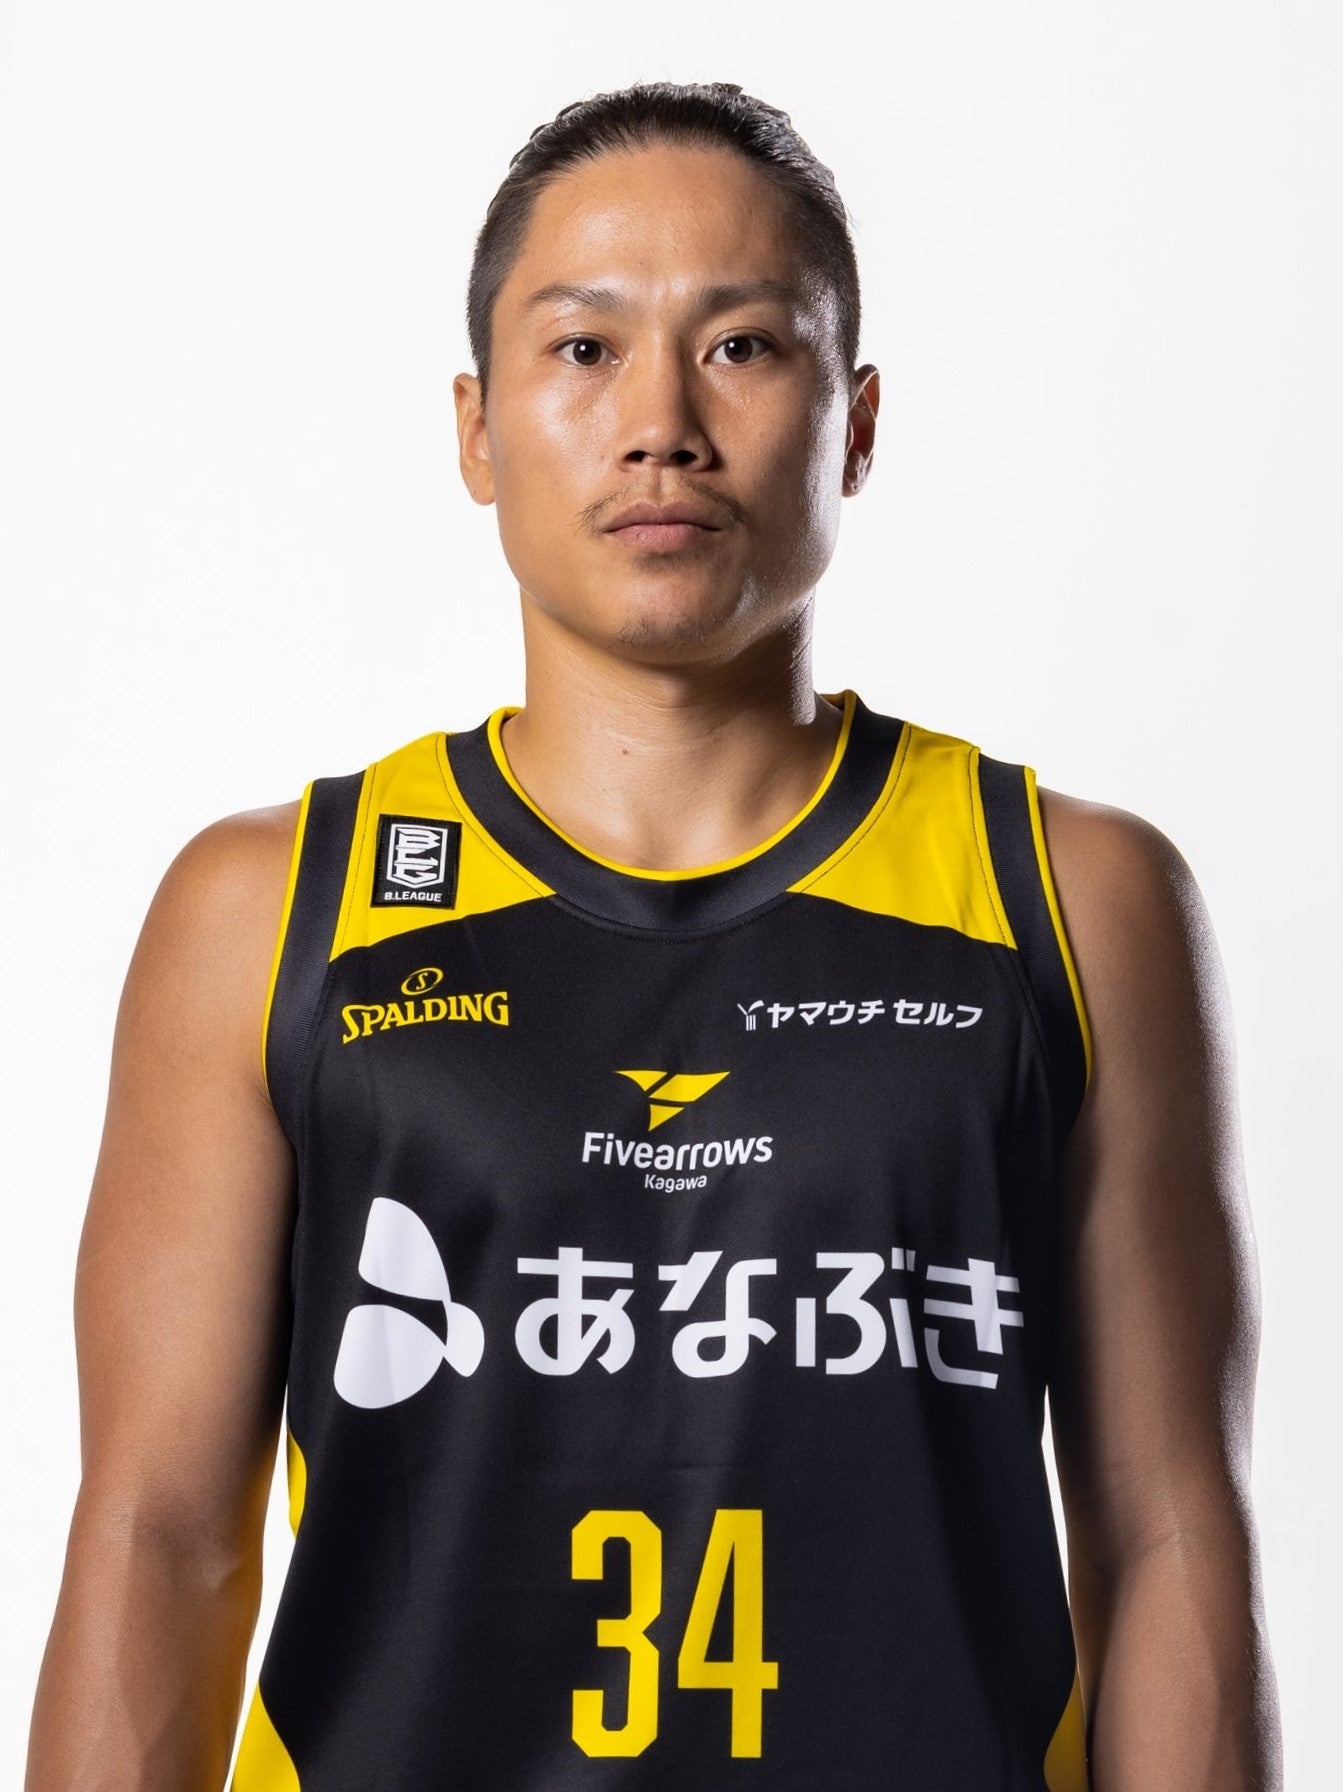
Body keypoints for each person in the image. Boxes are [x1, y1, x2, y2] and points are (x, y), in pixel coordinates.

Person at [25, 80, 1282, 1792]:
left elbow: (1164, 1532)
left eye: (745, 347)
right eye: (584, 349)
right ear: (477, 429)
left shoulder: (1068, 894)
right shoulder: (273, 907)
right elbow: (160, 1539)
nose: (662, 425)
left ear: (856, 422)